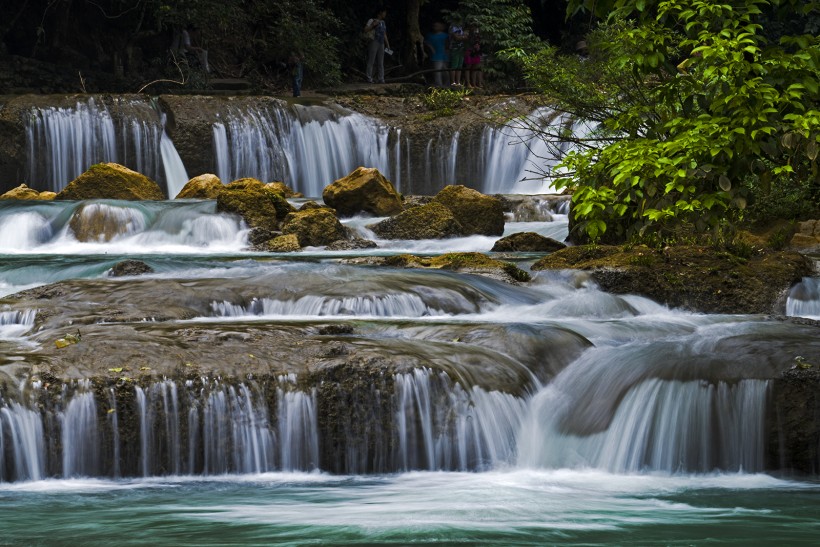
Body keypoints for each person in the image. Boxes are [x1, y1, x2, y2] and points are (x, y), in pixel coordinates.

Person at [365, 9, 390, 84]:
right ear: (380, 13)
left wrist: (387, 44)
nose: (385, 14)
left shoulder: (383, 22)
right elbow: (365, 29)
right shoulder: (371, 20)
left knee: (381, 61)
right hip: (374, 41)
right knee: (371, 60)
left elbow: (384, 34)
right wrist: (373, 25)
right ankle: (369, 77)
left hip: (381, 43)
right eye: (384, 12)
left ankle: (381, 78)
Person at [423, 21, 449, 88]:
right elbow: (426, 42)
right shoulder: (429, 35)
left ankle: (446, 84)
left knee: (445, 71)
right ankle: (439, 85)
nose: (435, 27)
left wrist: (447, 52)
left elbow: (447, 45)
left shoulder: (445, 35)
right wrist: (431, 49)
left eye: (437, 26)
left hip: (444, 56)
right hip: (435, 56)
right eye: (434, 26)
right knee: (437, 71)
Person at [447, 16, 467, 87]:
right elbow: (456, 38)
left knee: (459, 66)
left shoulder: (461, 27)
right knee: (454, 66)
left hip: (461, 48)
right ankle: (453, 82)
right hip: (454, 48)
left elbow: (466, 37)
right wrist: (462, 37)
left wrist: (461, 37)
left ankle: (458, 82)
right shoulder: (452, 27)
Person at [464, 23, 483, 88]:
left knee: (475, 67)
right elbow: (466, 40)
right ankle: (468, 83)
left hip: (476, 51)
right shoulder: (466, 32)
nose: (474, 27)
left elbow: (479, 40)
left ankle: (474, 83)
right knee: (468, 67)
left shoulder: (477, 32)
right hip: (469, 50)